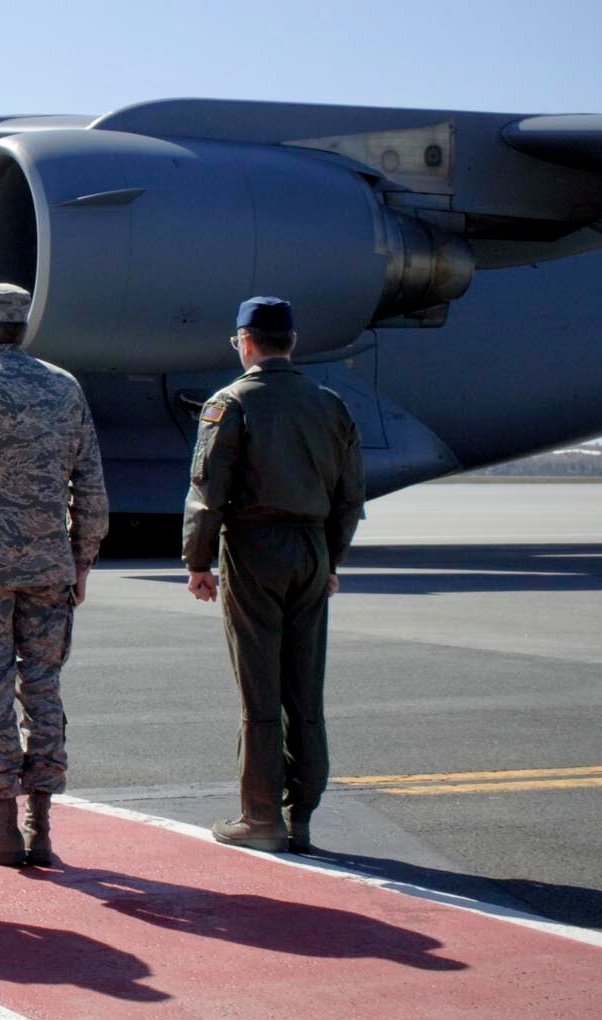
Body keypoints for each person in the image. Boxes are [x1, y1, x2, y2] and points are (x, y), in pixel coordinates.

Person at [0, 283, 108, 867]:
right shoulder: (64, 385)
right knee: (44, 687)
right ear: (22, 328)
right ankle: (41, 823)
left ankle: (0, 822)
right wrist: (82, 558)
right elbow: (91, 483)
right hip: (49, 564)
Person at [183, 296, 364, 853]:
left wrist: (197, 561)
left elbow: (208, 492)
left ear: (245, 341)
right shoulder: (329, 404)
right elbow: (349, 496)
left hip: (255, 547)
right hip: (311, 546)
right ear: (293, 341)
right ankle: (302, 813)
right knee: (305, 688)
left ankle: (261, 816)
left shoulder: (231, 403)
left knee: (260, 691)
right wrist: (330, 561)